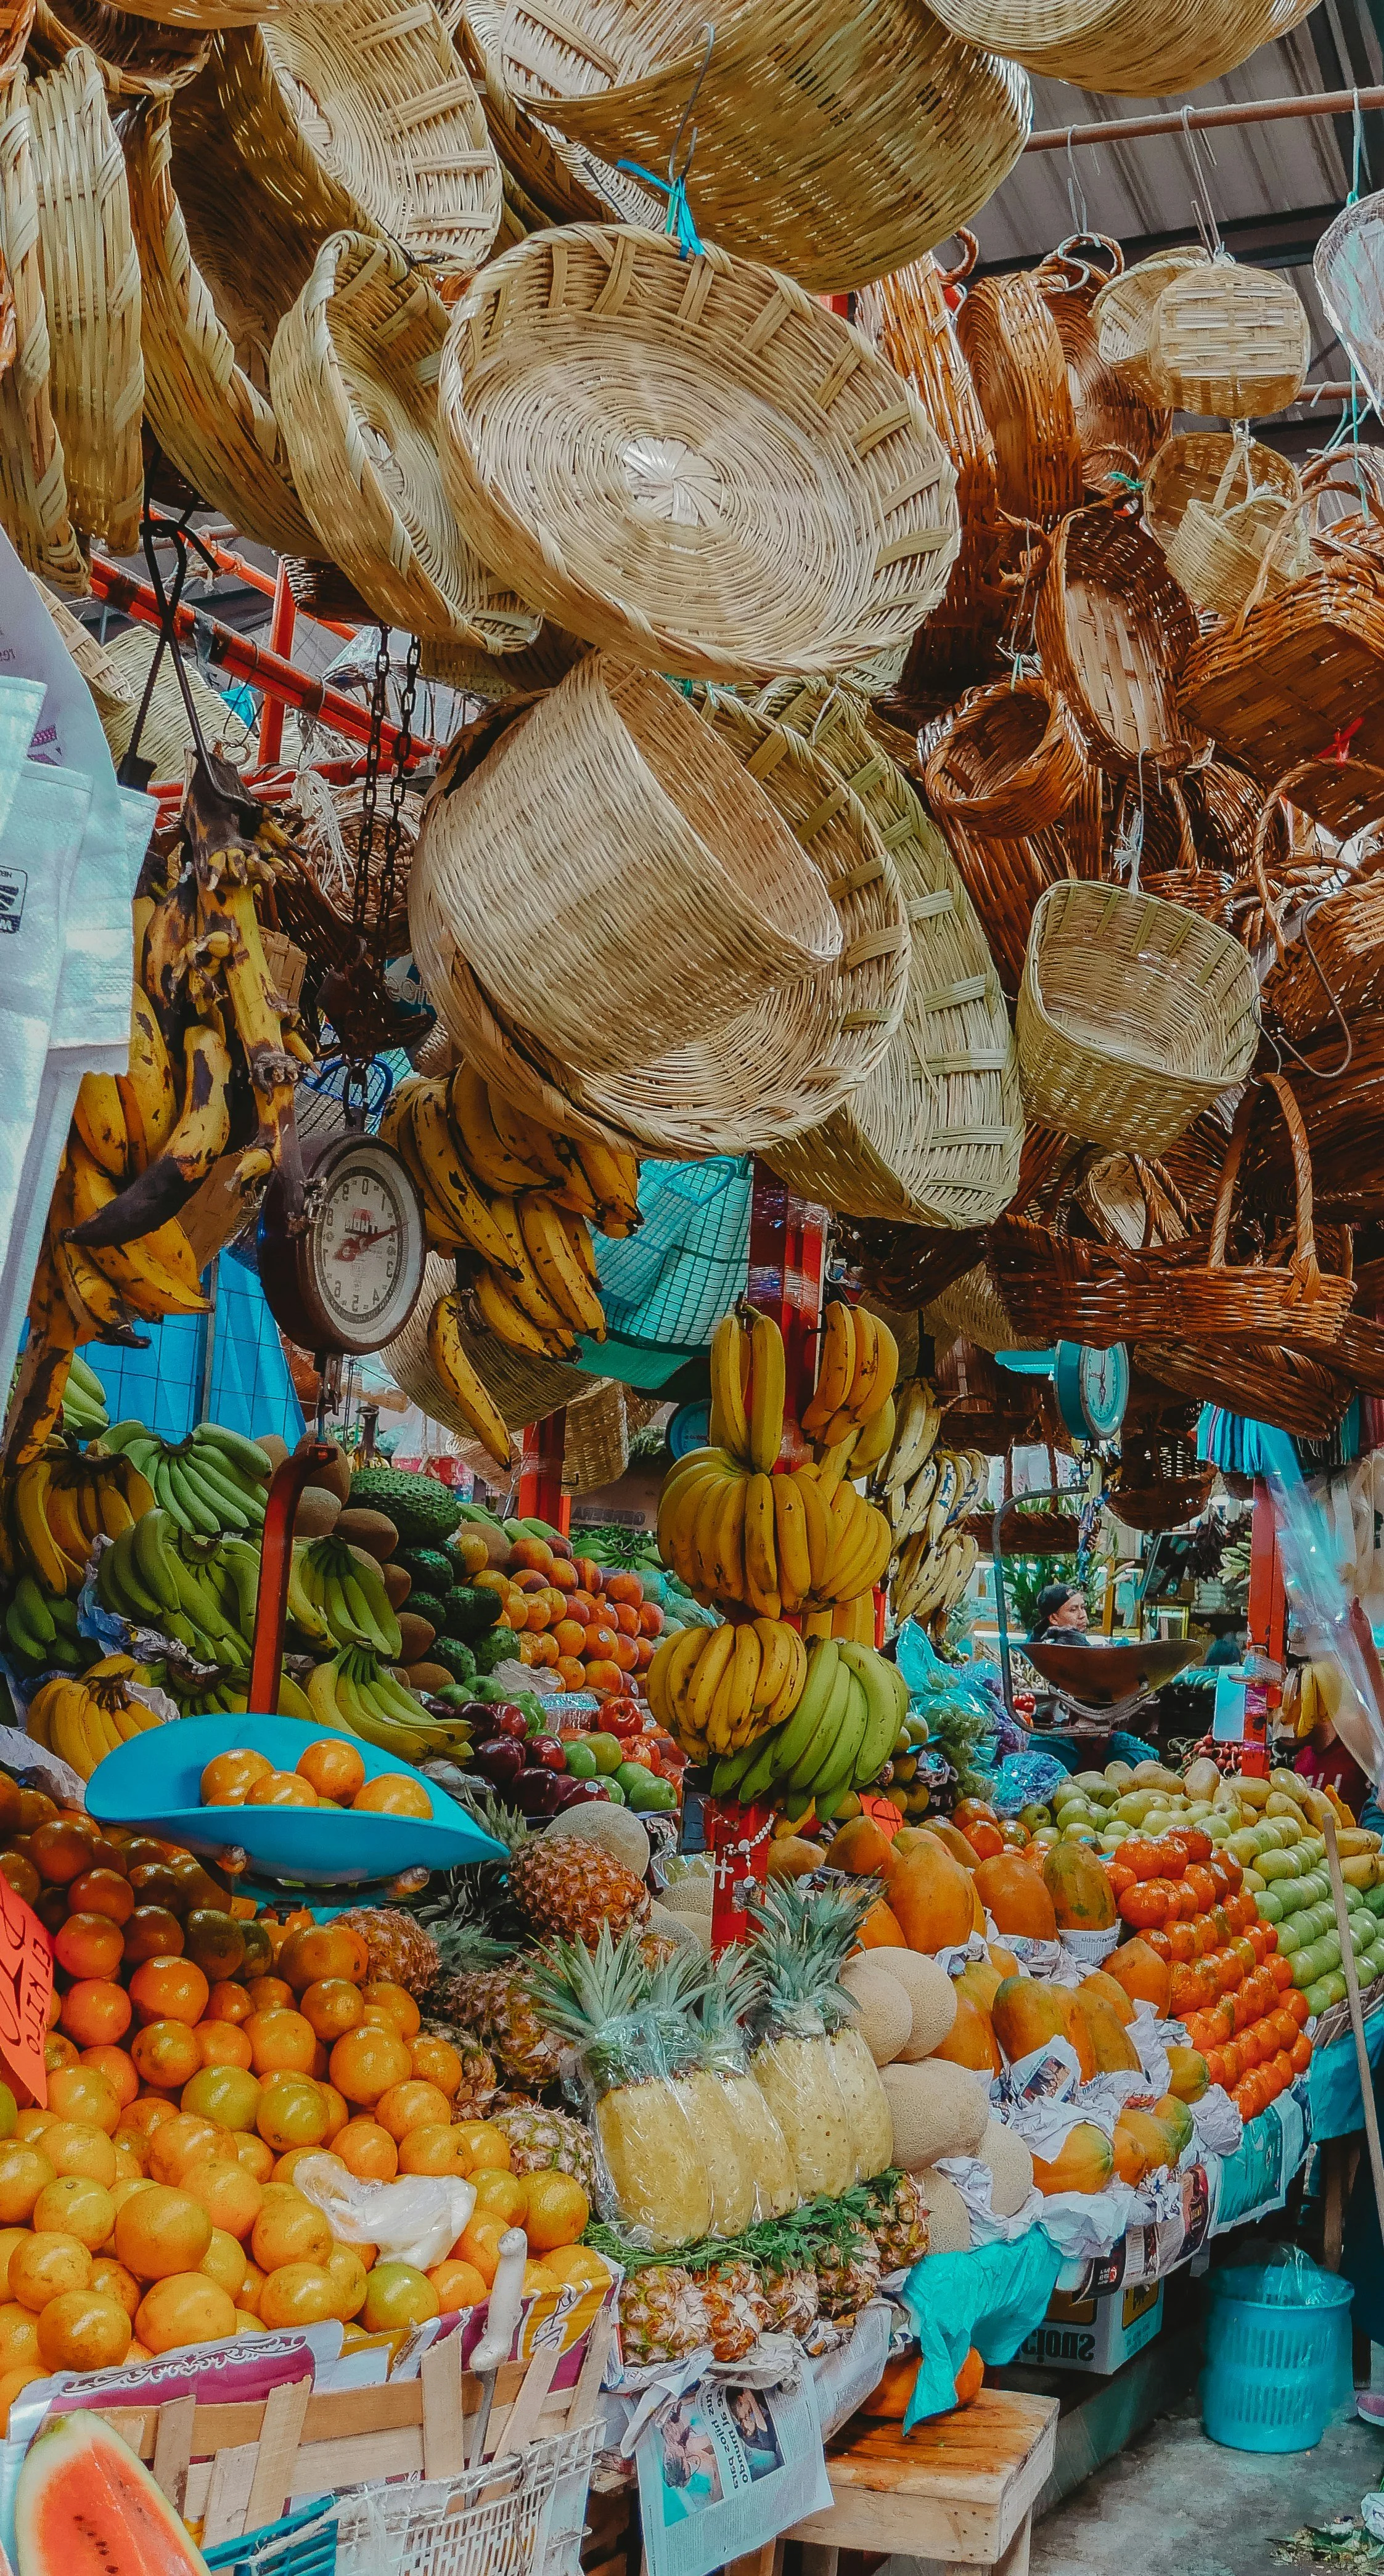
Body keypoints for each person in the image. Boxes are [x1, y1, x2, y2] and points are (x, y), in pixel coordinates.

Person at [1029, 1582, 1091, 1646]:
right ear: (1054, 1618)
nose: (1083, 1615)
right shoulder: (1071, 1644)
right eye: (1073, 1610)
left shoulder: (1033, 1646)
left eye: (1083, 1607)